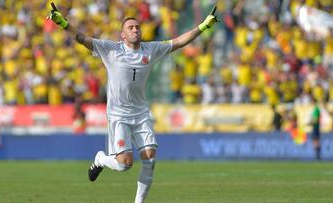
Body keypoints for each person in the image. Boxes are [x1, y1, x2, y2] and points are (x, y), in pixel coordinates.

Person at [48, 3, 219, 203]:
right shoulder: (109, 49)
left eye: (137, 27)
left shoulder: (151, 49)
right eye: (130, 28)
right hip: (118, 115)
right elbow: (81, 38)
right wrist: (62, 22)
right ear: (122, 35)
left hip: (141, 113)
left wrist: (203, 26)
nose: (135, 30)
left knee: (150, 158)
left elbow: (179, 42)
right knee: (124, 164)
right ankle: (101, 159)